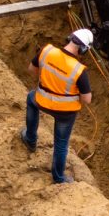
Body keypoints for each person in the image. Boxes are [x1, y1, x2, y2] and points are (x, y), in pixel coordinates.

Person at [20, 27, 93, 183]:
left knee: (30, 99)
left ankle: (30, 139)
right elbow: (87, 100)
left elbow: (31, 70)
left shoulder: (47, 51)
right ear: (83, 49)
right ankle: (59, 178)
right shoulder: (79, 70)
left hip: (41, 100)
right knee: (61, 144)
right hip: (65, 113)